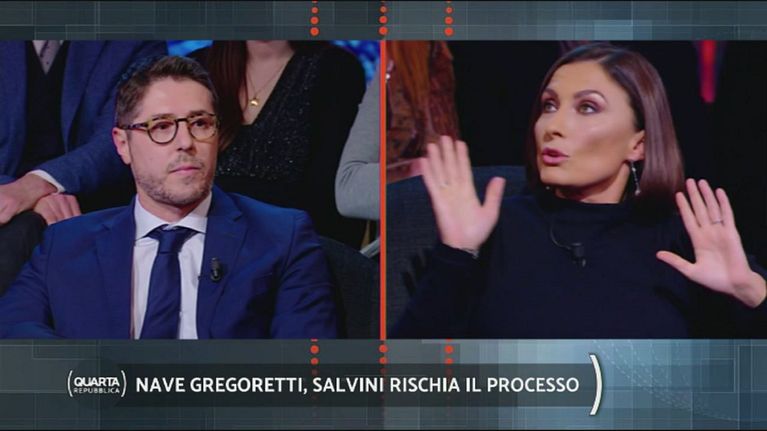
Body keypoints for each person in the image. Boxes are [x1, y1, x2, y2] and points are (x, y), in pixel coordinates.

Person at [391, 43, 767, 338]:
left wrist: (752, 293)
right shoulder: (492, 231)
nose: (553, 125)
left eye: (587, 108)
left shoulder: (684, 242)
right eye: (548, 105)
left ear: (639, 144)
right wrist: (457, 254)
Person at [0, 56, 338, 339]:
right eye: (161, 126)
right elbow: (15, 330)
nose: (186, 142)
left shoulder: (282, 236)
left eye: (200, 123)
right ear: (122, 145)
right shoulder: (65, 242)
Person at [0, 41, 167, 292]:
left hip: (97, 205)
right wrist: (17, 193)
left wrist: (38, 184)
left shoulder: (133, 35)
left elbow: (126, 134)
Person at [190, 41, 367, 248]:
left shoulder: (335, 69)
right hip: (199, 244)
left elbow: (331, 203)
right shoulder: (195, 70)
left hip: (295, 249)